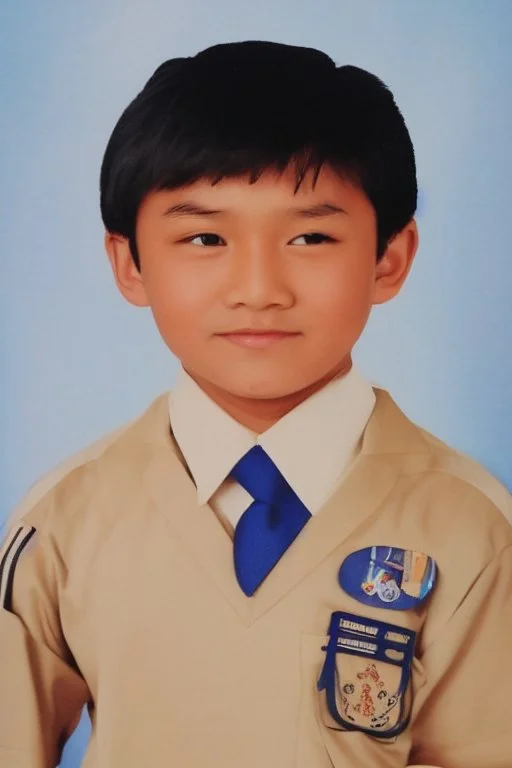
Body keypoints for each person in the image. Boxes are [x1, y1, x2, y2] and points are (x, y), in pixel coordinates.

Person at [1, 40, 511, 768]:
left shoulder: (470, 526)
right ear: (130, 264)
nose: (259, 287)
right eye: (205, 237)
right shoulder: (63, 521)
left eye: (311, 236)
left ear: (390, 258)